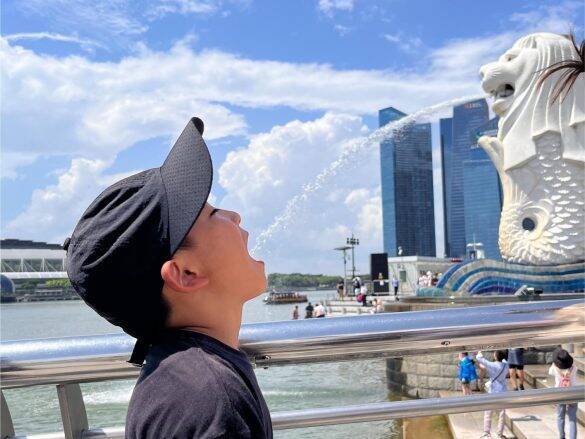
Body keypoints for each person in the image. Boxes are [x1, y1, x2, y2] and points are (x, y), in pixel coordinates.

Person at [65, 118, 273, 438]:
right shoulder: (213, 403)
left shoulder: (184, 378)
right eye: (213, 214)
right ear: (185, 274)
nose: (235, 215)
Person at [476, 350, 508, 439]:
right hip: (503, 391)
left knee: (488, 412)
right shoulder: (506, 365)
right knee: (502, 413)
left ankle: (487, 434)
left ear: (496, 356)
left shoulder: (492, 365)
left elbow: (479, 358)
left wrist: (479, 352)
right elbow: (504, 360)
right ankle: (500, 434)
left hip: (493, 391)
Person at [549, 348, 578, 439]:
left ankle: (562, 437)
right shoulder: (574, 367)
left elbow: (550, 372)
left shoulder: (555, 368)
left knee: (560, 417)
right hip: (573, 393)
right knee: (572, 418)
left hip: (560, 393)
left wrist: (554, 364)